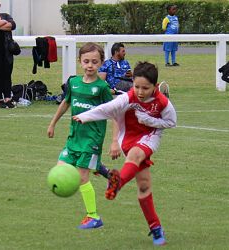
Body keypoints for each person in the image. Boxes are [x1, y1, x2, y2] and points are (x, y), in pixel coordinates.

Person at [73, 62, 177, 246]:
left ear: (155, 85)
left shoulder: (162, 102)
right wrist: (85, 116)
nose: (140, 91)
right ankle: (155, 228)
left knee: (136, 156)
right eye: (136, 86)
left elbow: (171, 122)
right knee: (144, 186)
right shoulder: (128, 98)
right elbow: (108, 109)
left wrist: (149, 120)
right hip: (128, 138)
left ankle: (117, 183)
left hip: (150, 137)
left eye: (145, 88)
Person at [47, 42, 115, 230]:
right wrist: (52, 123)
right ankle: (108, 174)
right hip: (74, 138)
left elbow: (115, 113)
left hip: (92, 140)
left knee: (82, 177)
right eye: (86, 61)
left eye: (94, 61)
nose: (90, 65)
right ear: (80, 62)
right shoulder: (74, 82)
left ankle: (93, 216)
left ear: (101, 63)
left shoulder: (102, 87)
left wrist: (115, 141)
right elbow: (65, 103)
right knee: (61, 167)